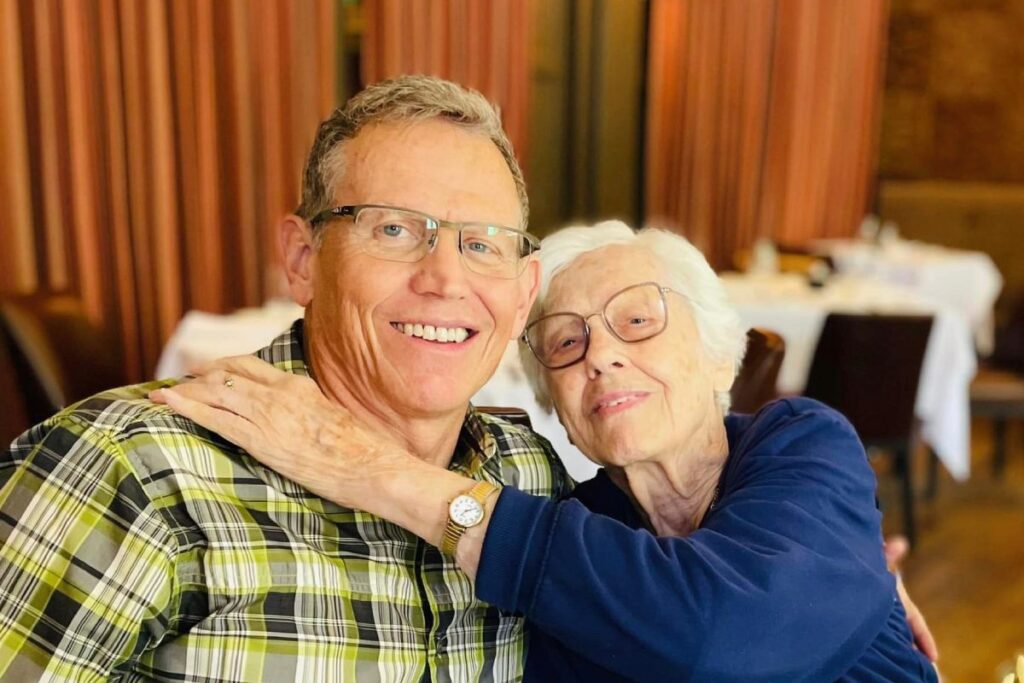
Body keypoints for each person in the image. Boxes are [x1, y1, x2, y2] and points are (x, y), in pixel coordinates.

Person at [160, 221, 940, 681]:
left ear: (717, 352)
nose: (599, 355)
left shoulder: (799, 443)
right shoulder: (584, 531)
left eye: (637, 320)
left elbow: (727, 630)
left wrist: (371, 469)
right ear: (560, 406)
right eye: (566, 342)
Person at [0, 76, 571, 681]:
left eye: (482, 245)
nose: (446, 280)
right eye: (394, 230)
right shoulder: (135, 472)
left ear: (522, 296)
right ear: (303, 261)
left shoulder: (530, 483)